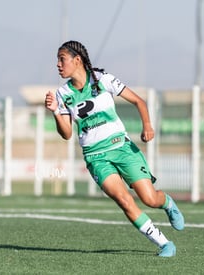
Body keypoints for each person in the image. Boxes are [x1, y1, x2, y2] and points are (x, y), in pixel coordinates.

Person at [45, 40, 184, 257]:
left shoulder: (103, 79)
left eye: (61, 59)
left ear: (77, 60)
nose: (58, 64)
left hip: (122, 147)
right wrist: (55, 111)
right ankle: (165, 243)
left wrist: (147, 125)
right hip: (95, 157)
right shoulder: (62, 94)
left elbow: (139, 101)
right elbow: (67, 134)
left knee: (149, 199)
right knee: (124, 200)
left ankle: (166, 203)